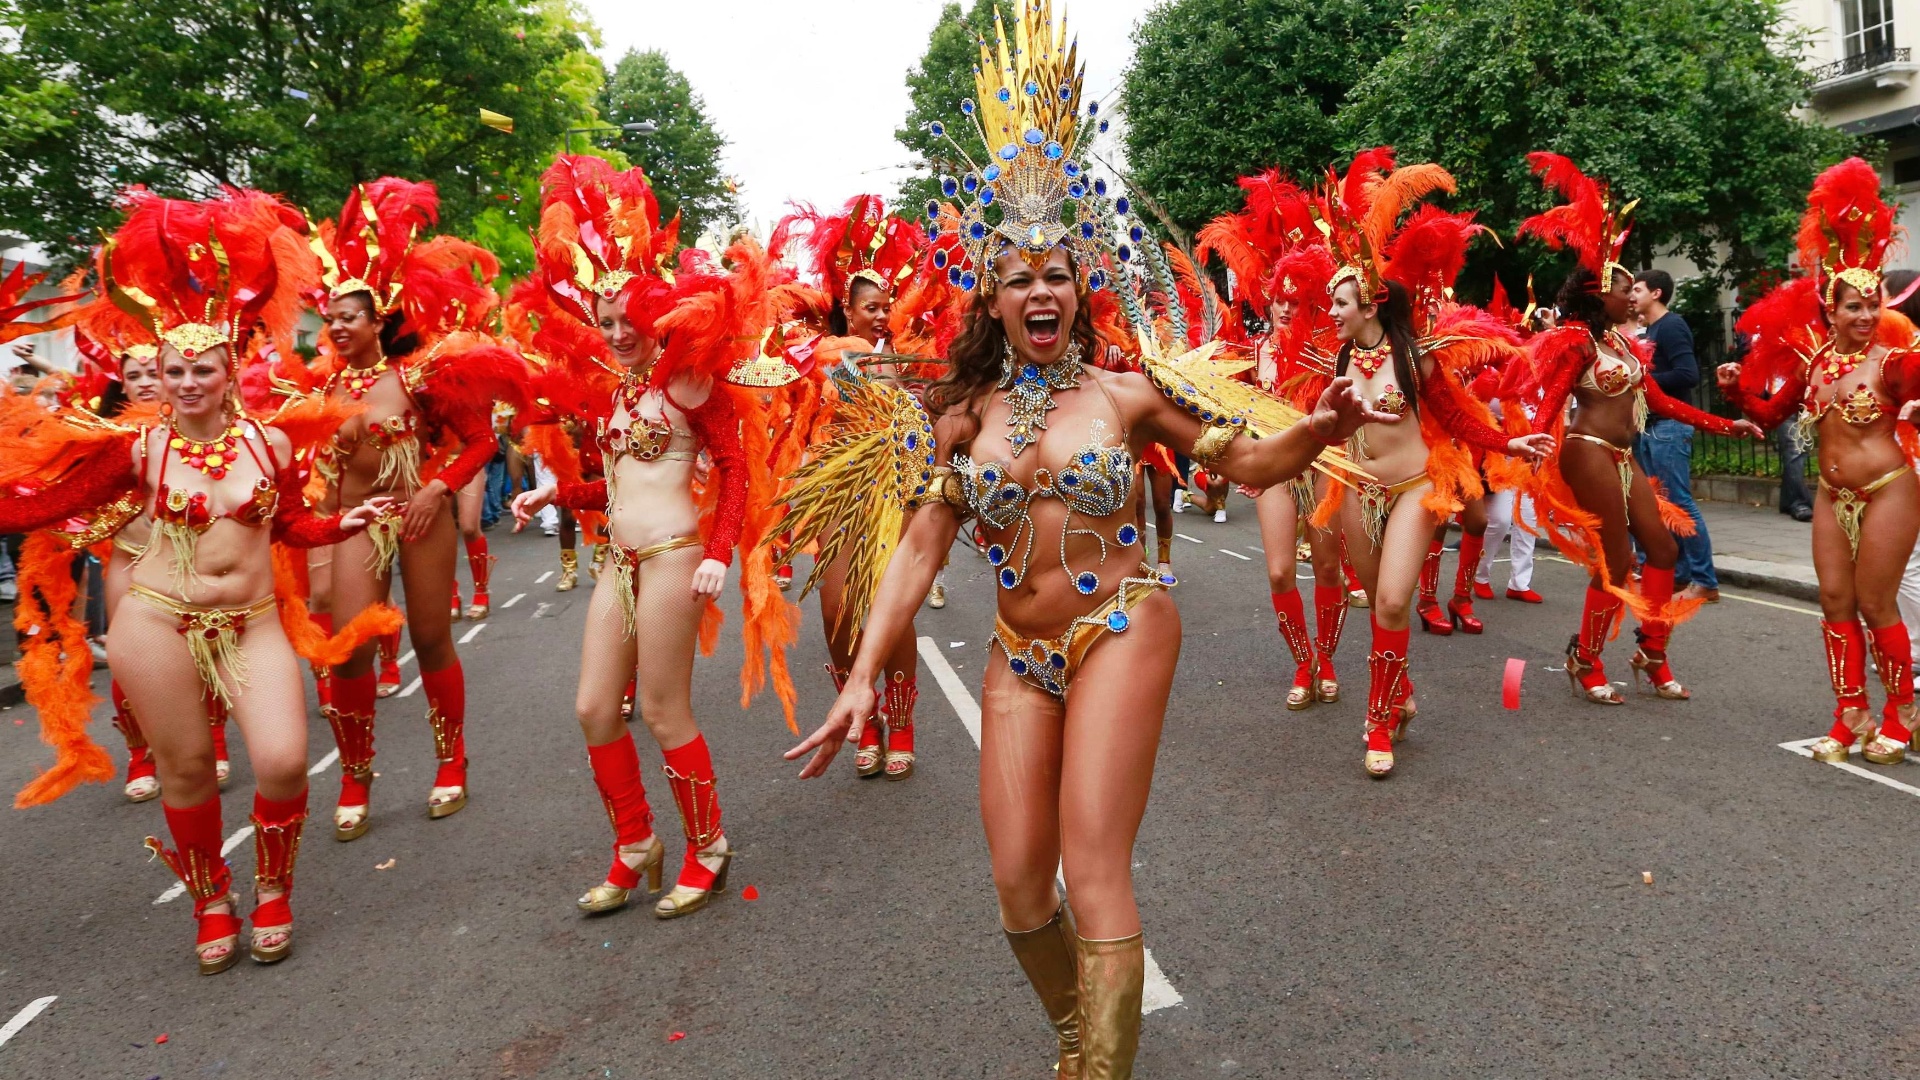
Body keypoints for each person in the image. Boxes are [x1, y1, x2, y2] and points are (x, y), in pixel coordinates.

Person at [784, 14, 1395, 1071]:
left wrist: (1319, 428)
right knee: (1020, 884)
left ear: (1080, 286)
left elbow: (1243, 462)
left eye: (1058, 273)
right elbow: (923, 551)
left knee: (1091, 861)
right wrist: (860, 680)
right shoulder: (964, 413)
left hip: (1122, 625)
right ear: (993, 293)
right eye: (1020, 276)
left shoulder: (1124, 394)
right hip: (1019, 655)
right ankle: (1083, 1036)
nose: (1042, 292)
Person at [0, 189, 392, 971]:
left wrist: (338, 526)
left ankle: (273, 889)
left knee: (281, 759)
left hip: (250, 621)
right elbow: (44, 505)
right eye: (173, 370)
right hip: (158, 621)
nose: (184, 383)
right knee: (184, 770)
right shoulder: (135, 454)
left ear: (228, 371)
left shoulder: (271, 447)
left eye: (200, 370)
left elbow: (285, 529)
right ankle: (212, 900)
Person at [511, 155, 795, 919]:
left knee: (666, 709)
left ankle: (708, 848)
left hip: (673, 560)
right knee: (595, 708)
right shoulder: (619, 396)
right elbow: (617, 486)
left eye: (627, 322)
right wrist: (555, 491)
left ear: (655, 315)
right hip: (618, 561)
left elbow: (734, 469)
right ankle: (635, 845)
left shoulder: (691, 385)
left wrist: (716, 554)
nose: (616, 335)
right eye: (604, 324)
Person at [310, 178, 515, 842]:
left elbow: (482, 439)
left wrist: (436, 487)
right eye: (330, 318)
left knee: (429, 639)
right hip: (354, 525)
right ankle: (355, 775)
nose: (336, 327)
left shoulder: (421, 375)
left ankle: (451, 761)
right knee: (347, 654)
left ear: (379, 321)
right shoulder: (322, 386)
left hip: (419, 516)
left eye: (349, 317)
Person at [1517, 154, 1762, 706]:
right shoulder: (1575, 341)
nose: (1632, 293)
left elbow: (1662, 402)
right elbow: (1552, 399)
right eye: (1622, 286)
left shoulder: (1624, 346)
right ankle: (1587, 657)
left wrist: (1730, 424)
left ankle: (1652, 650)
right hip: (1586, 451)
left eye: (1632, 287)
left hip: (1622, 455)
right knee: (1617, 559)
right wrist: (1532, 438)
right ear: (1595, 292)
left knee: (1663, 549)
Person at [1719, 158, 1920, 764]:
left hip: (1888, 488)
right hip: (1834, 497)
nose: (1864, 316)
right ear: (1830, 311)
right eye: (1852, 307)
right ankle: (1849, 712)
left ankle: (1900, 713)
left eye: (1871, 305)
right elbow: (1772, 414)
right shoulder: (1815, 365)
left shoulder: (1896, 361)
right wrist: (1733, 392)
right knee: (1834, 602)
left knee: (1876, 603)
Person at [774, 195, 928, 780]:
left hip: (892, 496)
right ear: (848, 309)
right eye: (871, 307)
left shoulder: (905, 360)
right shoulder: (820, 356)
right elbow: (795, 417)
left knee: (891, 608)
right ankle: (864, 717)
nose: (882, 316)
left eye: (887, 306)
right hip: (838, 496)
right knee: (838, 611)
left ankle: (903, 720)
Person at [1195, 169, 1350, 707]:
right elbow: (1227, 411)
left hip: (1326, 468)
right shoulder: (1253, 352)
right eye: (1278, 298)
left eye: (1296, 297)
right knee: (1282, 571)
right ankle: (1302, 662)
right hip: (1276, 468)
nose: (1285, 306)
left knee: (1329, 567)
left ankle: (1327, 659)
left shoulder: (1330, 353)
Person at [1630, 268, 1719, 603]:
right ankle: (1680, 575)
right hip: (1653, 426)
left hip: (1670, 426)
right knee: (1663, 505)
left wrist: (1643, 380)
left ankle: (1705, 580)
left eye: (1637, 289)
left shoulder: (1671, 325)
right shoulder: (1650, 329)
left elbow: (1687, 374)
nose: (1632, 295)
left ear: (1656, 293)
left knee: (1680, 503)